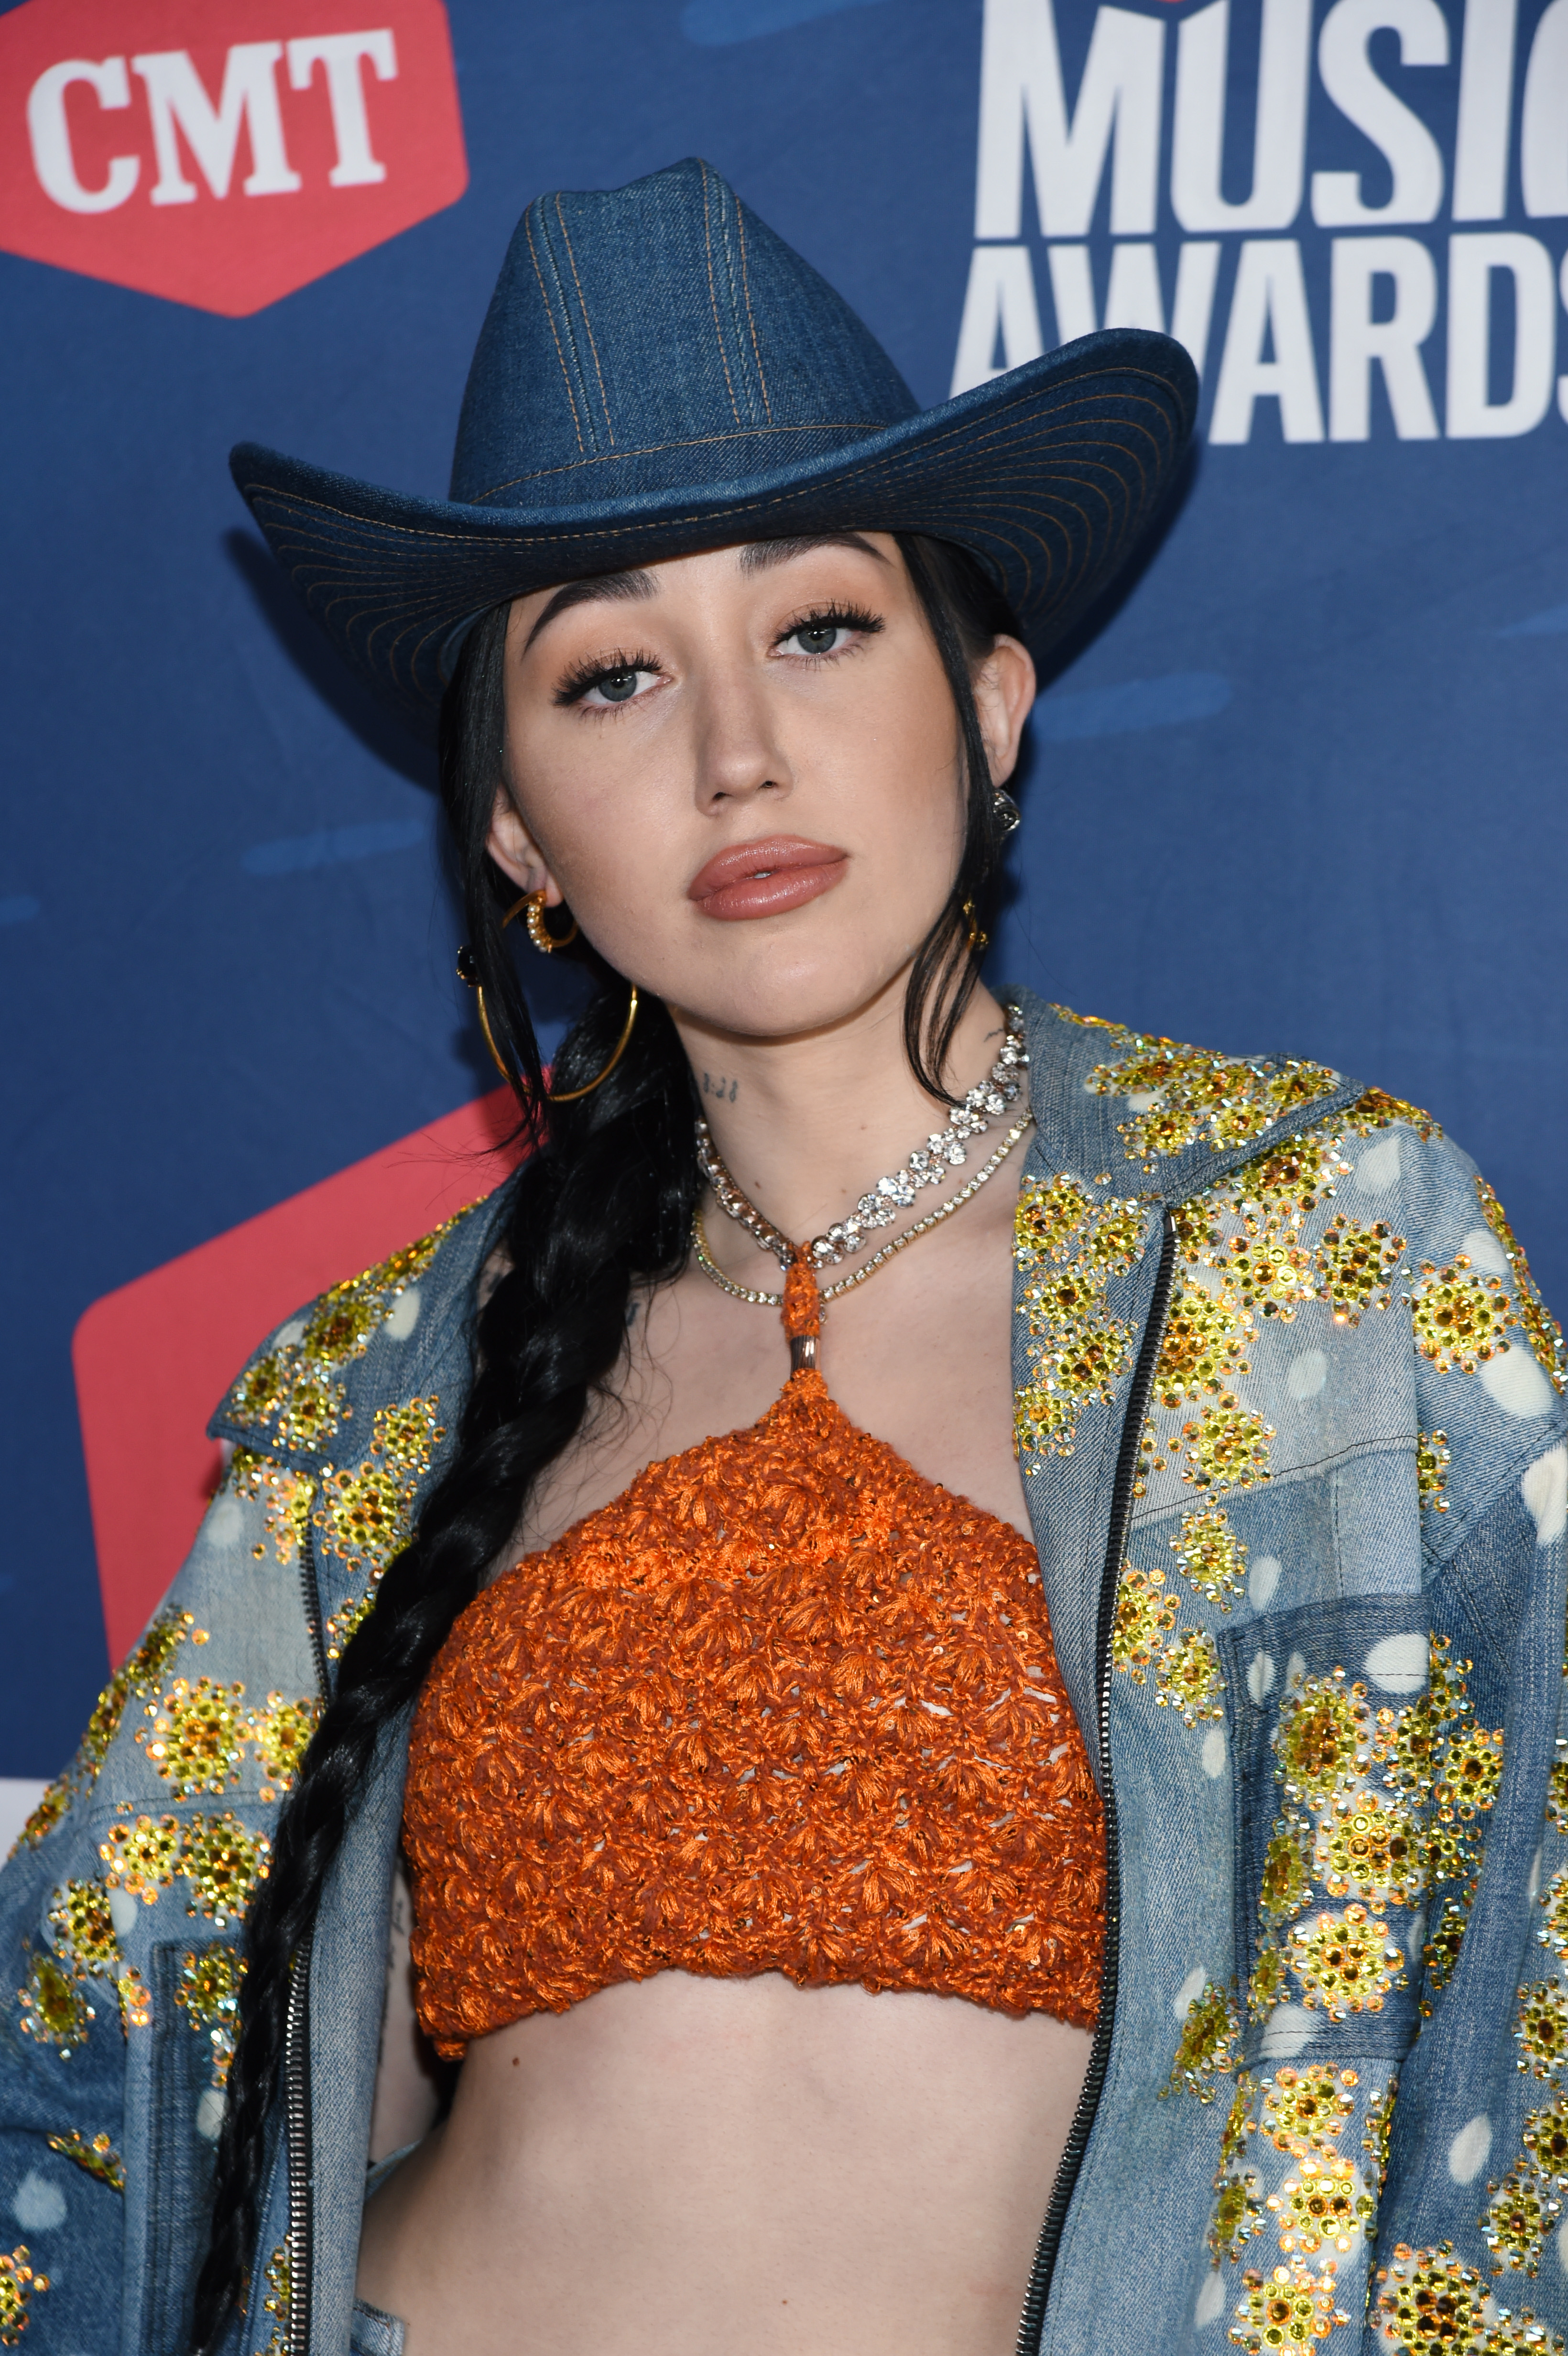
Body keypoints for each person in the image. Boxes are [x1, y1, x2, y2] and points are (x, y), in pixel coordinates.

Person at [2, 156, 1565, 2356]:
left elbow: (1528, 2008)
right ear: (521, 833)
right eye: (613, 678)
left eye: (818, 626)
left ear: (994, 700)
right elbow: (112, 2074)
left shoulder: (1321, 1262)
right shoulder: (381, 1387)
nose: (739, 753)